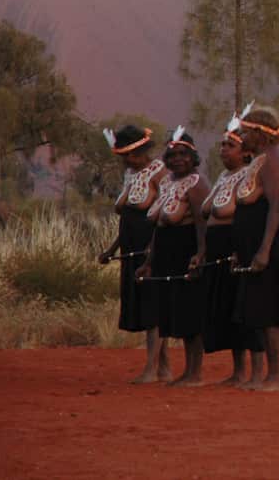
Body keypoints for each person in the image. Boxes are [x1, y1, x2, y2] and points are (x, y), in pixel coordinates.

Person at [233, 104, 279, 391]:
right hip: (263, 238)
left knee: (272, 305)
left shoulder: (273, 160)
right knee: (261, 306)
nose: (241, 137)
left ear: (260, 134)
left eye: (245, 131)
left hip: (277, 239)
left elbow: (275, 205)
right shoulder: (260, 160)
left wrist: (264, 250)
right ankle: (270, 375)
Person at [136, 127, 210, 387]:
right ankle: (185, 372)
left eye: (183, 154)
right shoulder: (167, 182)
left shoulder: (197, 183)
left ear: (192, 157)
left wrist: (201, 253)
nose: (178, 159)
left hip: (186, 249)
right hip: (165, 252)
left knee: (190, 311)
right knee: (171, 311)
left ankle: (195, 372)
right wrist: (148, 261)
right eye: (173, 154)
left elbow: (202, 221)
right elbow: (159, 226)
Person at [196, 116, 265, 387]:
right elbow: (207, 210)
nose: (223, 149)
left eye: (230, 145)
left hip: (237, 247)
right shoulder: (224, 176)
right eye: (222, 145)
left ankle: (257, 373)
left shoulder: (251, 177)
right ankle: (238, 372)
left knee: (245, 309)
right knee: (226, 309)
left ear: (245, 151)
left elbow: (250, 216)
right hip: (216, 249)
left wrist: (242, 248)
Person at [97, 124, 170, 384]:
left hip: (149, 247)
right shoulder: (130, 175)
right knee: (143, 304)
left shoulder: (160, 172)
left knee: (152, 307)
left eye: (130, 154)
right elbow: (127, 216)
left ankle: (151, 368)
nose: (127, 160)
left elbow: (164, 213)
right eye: (123, 156)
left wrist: (155, 247)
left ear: (142, 150)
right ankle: (163, 368)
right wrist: (111, 249)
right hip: (130, 247)